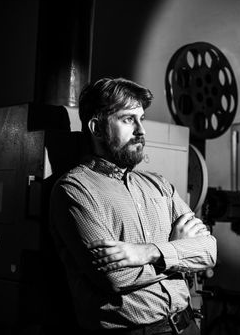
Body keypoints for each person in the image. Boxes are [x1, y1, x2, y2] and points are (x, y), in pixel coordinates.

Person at [49, 77, 217, 335]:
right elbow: (114, 278)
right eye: (128, 119)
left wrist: (149, 252)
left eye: (142, 119)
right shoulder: (74, 190)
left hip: (188, 325)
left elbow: (209, 250)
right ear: (97, 127)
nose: (141, 130)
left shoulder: (159, 184)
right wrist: (177, 250)